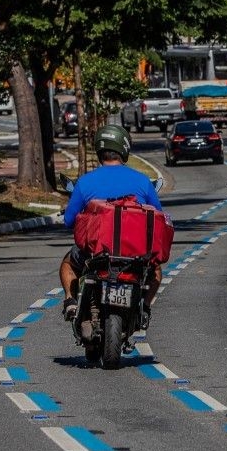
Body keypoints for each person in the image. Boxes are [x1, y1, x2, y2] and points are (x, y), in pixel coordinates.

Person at [60, 124, 165, 330]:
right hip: (135, 255)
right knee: (156, 271)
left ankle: (70, 302)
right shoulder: (142, 181)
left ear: (99, 150)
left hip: (95, 255)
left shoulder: (85, 182)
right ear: (124, 149)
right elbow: (158, 218)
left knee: (68, 264)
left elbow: (69, 221)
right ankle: (144, 307)